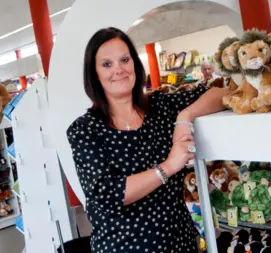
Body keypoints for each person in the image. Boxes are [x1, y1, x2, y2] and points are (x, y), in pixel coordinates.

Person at [66, 27, 228, 253]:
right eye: (107, 64)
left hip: (179, 243)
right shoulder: (85, 130)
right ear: (94, 74)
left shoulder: (161, 107)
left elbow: (221, 94)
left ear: (135, 64)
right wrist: (168, 166)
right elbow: (109, 193)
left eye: (124, 60)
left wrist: (185, 116)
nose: (119, 70)